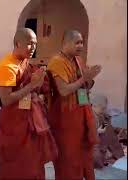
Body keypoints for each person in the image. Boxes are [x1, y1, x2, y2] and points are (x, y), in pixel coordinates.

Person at [0, 28, 57, 179]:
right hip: (15, 124)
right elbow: (6, 99)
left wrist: (40, 86)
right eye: (29, 43)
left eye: (35, 44)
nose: (33, 47)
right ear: (17, 43)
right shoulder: (7, 66)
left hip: (31, 122)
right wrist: (32, 86)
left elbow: (37, 87)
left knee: (33, 162)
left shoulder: (26, 63)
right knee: (15, 164)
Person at [47, 30, 102, 180]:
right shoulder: (57, 61)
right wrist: (85, 78)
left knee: (84, 156)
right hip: (65, 118)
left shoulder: (78, 60)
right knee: (68, 159)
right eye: (77, 42)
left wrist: (90, 78)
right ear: (66, 43)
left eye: (82, 43)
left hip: (82, 114)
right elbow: (64, 90)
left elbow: (86, 86)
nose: (80, 46)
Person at [91, 94, 125, 169]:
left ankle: (118, 156)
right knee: (97, 160)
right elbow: (84, 134)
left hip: (101, 143)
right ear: (95, 106)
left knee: (109, 129)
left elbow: (105, 127)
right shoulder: (88, 116)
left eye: (104, 109)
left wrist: (117, 129)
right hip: (92, 145)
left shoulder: (101, 115)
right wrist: (97, 131)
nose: (103, 111)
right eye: (102, 109)